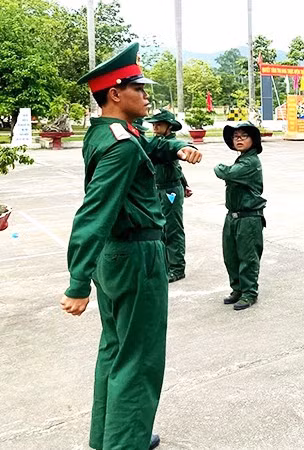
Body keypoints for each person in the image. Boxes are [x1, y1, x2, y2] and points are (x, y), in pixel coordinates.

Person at [60, 42, 202, 450]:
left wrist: (178, 146)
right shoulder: (121, 146)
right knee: (139, 358)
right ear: (115, 93)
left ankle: (114, 436)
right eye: (138, 88)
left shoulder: (106, 132)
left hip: (115, 254)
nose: (146, 96)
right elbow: (93, 211)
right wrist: (76, 281)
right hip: (136, 255)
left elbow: (153, 146)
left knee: (115, 348)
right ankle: (126, 442)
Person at [214, 122, 267, 311]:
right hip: (234, 216)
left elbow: (225, 172)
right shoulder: (242, 159)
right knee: (231, 255)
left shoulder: (250, 162)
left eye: (244, 135)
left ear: (253, 140)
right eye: (236, 136)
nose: (239, 139)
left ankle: (249, 292)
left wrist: (220, 167)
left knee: (248, 257)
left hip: (248, 218)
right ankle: (237, 289)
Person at [146, 109, 193, 282]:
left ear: (169, 126)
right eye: (153, 123)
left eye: (159, 123)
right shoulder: (155, 143)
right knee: (160, 230)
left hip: (170, 190)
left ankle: (177, 268)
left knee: (172, 228)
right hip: (157, 189)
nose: (155, 126)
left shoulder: (172, 144)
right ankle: (165, 265)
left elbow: (176, 166)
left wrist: (183, 185)